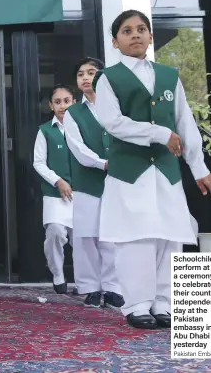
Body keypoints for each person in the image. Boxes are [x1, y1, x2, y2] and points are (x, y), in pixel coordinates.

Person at [94, 9, 211, 329]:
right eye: (127, 31)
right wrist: (158, 134)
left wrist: (199, 168)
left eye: (141, 29)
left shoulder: (169, 76)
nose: (135, 34)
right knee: (136, 237)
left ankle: (163, 302)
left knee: (170, 235)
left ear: (151, 36)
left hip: (166, 171)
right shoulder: (109, 78)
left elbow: (185, 123)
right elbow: (113, 123)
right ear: (115, 41)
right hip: (129, 172)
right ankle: (137, 305)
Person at [64, 58, 123, 309]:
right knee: (87, 235)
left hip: (120, 180)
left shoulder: (119, 107)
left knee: (113, 235)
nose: (85, 77)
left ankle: (113, 287)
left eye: (91, 72)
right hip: (87, 180)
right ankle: (91, 287)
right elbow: (78, 149)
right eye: (80, 74)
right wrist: (103, 163)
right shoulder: (73, 112)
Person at [33, 85, 75, 294]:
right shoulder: (45, 131)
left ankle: (90, 283)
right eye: (57, 102)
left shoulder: (83, 128)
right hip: (55, 193)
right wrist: (58, 181)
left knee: (84, 240)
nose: (62, 106)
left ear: (73, 102)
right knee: (56, 233)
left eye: (66, 101)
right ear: (51, 105)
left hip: (83, 193)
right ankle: (58, 274)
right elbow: (38, 163)